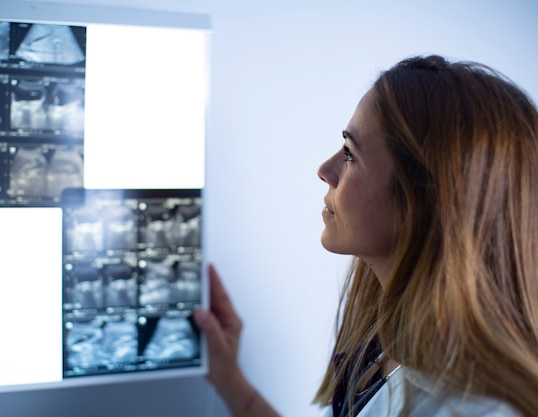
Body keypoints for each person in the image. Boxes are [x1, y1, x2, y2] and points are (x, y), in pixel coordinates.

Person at [193, 55, 538, 417]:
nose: (325, 170)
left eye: (350, 154)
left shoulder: (483, 410)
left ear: (423, 198)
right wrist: (229, 377)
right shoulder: (391, 353)